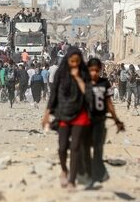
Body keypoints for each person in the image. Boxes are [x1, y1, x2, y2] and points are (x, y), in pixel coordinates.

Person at [42, 47, 92, 189]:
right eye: (72, 61)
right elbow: (53, 95)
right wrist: (47, 114)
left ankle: (72, 180)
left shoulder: (83, 73)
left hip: (80, 114)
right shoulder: (61, 73)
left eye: (77, 61)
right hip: (63, 113)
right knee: (62, 147)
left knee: (75, 147)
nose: (75, 63)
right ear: (67, 60)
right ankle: (64, 170)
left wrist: (77, 77)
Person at [80, 58, 125, 187]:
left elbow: (109, 103)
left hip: (99, 122)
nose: (94, 73)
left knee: (98, 149)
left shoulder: (105, 83)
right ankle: (89, 177)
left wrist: (117, 120)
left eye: (96, 70)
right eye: (91, 70)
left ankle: (97, 176)